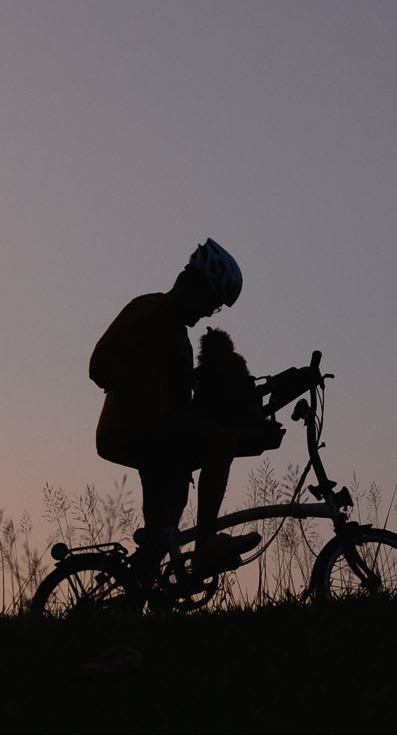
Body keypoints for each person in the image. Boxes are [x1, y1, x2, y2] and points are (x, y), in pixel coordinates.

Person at [89, 239, 257, 583]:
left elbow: (179, 402)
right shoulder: (148, 310)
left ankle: (138, 600)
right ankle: (207, 544)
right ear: (191, 285)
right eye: (210, 301)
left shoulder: (178, 336)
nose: (209, 312)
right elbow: (100, 363)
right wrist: (145, 396)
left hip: (157, 433)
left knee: (163, 530)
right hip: (135, 428)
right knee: (221, 442)